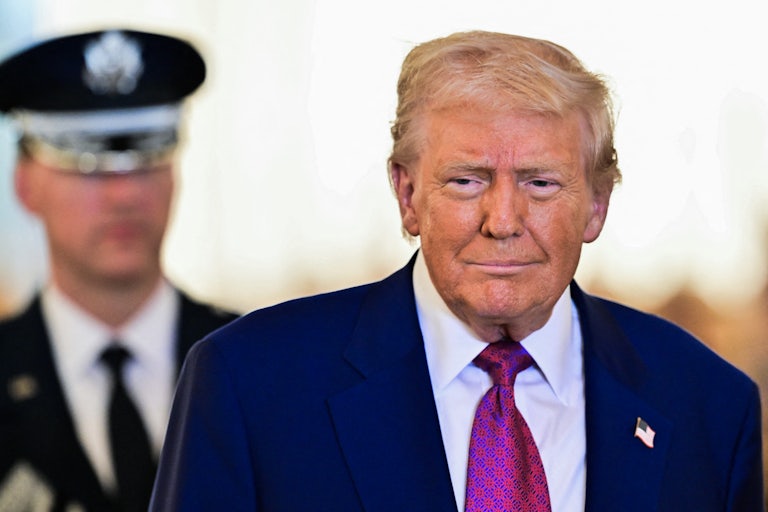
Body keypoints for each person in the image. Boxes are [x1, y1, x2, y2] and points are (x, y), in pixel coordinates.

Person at [149, 30, 763, 512]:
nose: (503, 220)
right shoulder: (249, 384)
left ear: (597, 205)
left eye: (540, 184)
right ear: (407, 194)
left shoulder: (710, 406)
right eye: (467, 181)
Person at [0, 29, 238, 512]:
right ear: (25, 184)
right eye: (87, 165)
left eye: (148, 159)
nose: (124, 195)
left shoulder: (258, 357)